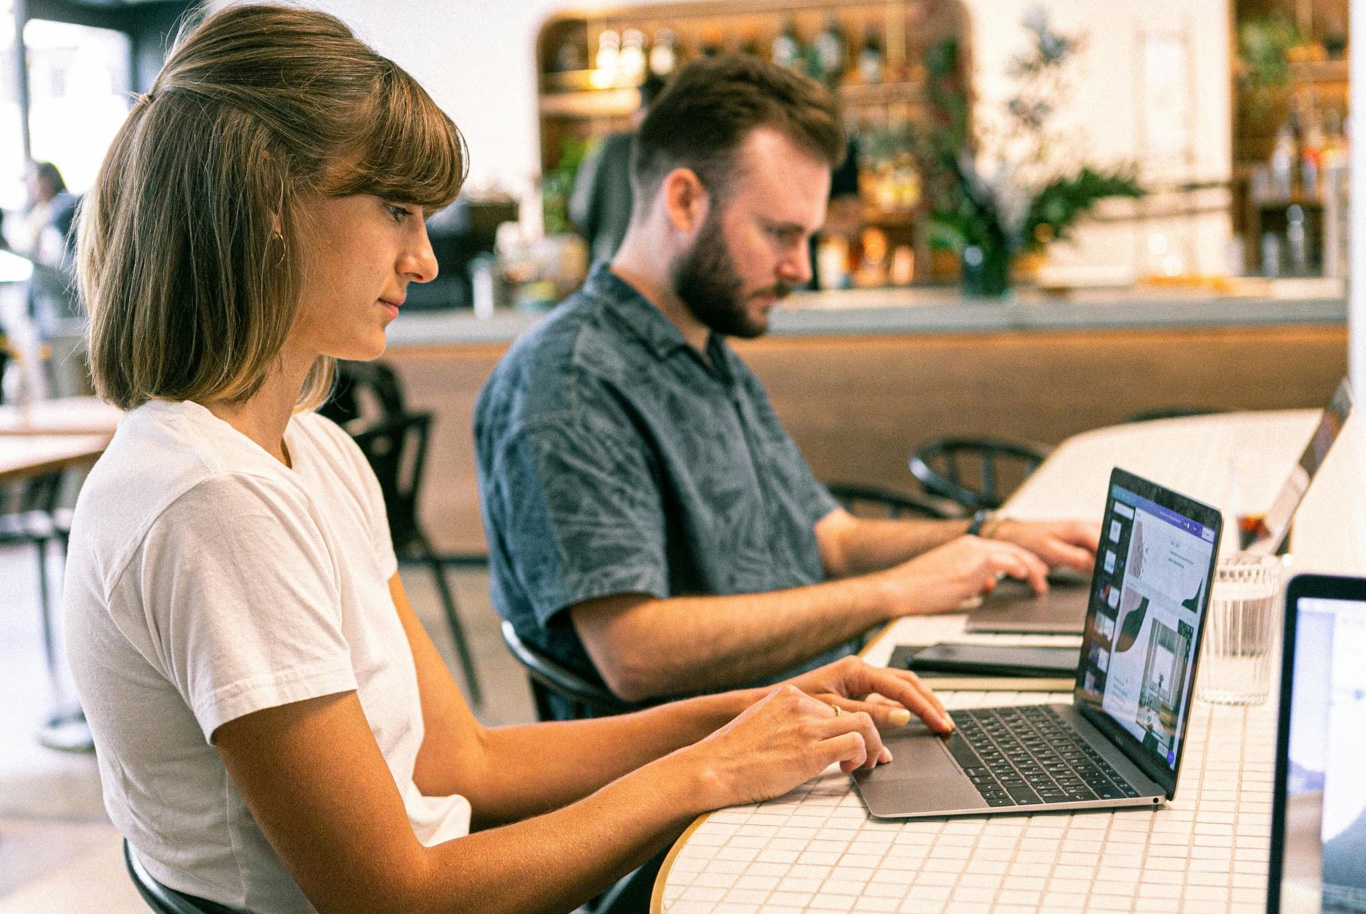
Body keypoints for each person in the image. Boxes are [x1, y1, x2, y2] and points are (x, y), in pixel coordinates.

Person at [64, 7, 954, 914]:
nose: (420, 258)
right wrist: (705, 773)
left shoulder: (313, 450)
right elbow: (394, 897)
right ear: (268, 205)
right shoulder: (212, 499)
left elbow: (464, 762)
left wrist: (764, 707)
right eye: (396, 210)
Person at [475, 55, 1099, 719]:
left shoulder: (706, 349)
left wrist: (989, 535)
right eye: (779, 233)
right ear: (684, 199)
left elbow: (829, 539)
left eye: (807, 237)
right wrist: (892, 593)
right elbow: (634, 653)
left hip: (814, 709)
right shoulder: (569, 382)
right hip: (700, 776)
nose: (800, 267)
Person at [568, 74, 665, 267]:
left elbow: (581, 210)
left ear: (638, 111)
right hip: (662, 272)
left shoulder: (611, 147)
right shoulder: (679, 151)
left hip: (613, 264)